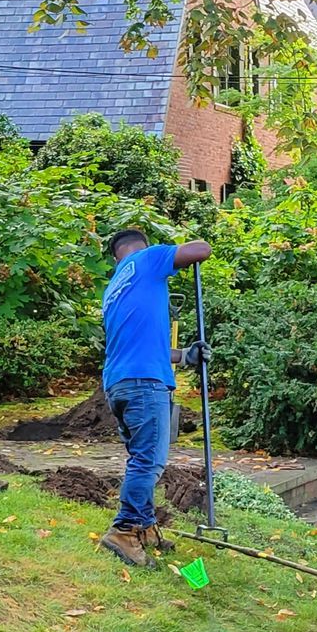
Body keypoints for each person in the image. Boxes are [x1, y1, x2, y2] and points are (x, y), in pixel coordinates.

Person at [97, 228, 211, 568]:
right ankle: (124, 530)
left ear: (115, 257)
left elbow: (144, 344)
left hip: (119, 384)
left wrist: (185, 356)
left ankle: (145, 527)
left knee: (140, 457)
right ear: (140, 247)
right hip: (145, 384)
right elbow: (201, 249)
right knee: (148, 461)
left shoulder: (114, 289)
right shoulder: (147, 259)